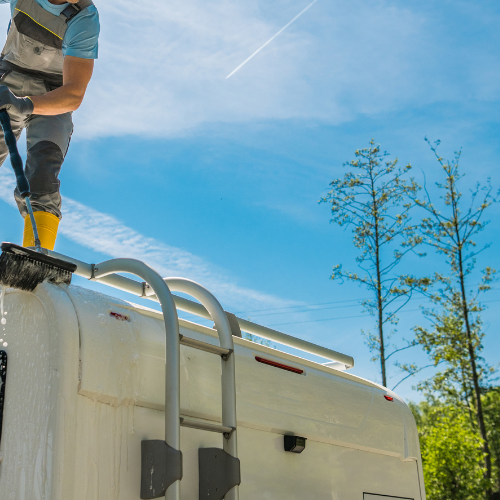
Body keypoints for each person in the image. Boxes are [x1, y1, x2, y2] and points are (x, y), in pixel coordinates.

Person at [0, 0, 99, 250]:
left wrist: (24, 105)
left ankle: (35, 257)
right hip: (6, 83)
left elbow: (74, 94)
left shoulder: (84, 18)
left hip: (53, 98)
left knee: (43, 172)